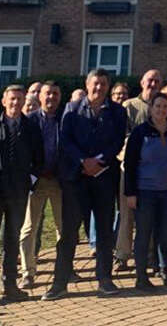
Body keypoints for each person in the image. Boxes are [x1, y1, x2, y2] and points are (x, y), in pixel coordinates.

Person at [43, 69, 127, 301]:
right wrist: (83, 160)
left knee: (103, 231)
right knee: (69, 233)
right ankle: (59, 283)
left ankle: (104, 279)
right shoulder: (71, 108)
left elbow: (118, 141)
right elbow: (66, 139)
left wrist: (98, 161)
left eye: (102, 84)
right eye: (94, 83)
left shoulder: (118, 112)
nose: (98, 88)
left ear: (107, 86)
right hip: (76, 179)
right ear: (87, 84)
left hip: (103, 178)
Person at [0, 85, 44, 307]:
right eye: (12, 99)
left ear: (24, 102)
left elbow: (39, 160)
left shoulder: (31, 128)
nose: (16, 103)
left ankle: (10, 286)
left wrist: (30, 182)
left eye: (20, 99)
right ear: (4, 101)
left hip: (18, 195)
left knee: (12, 241)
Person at [124, 93, 167, 290]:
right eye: (157, 106)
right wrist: (131, 192)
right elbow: (130, 163)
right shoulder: (140, 132)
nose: (161, 110)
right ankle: (141, 275)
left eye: (165, 106)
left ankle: (165, 269)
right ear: (151, 108)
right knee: (144, 233)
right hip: (145, 191)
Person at [117, 69, 163, 272]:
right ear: (142, 82)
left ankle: (150, 255)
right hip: (129, 167)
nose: (152, 84)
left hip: (153, 170)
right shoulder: (129, 106)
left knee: (149, 213)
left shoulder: (161, 107)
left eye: (156, 81)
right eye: (149, 80)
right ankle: (123, 255)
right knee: (126, 212)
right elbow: (122, 135)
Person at [19, 82, 63, 289]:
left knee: (63, 228)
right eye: (48, 94)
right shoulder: (29, 120)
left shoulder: (66, 118)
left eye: (55, 94)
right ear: (40, 97)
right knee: (29, 228)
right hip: (36, 180)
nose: (51, 98)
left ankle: (63, 271)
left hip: (59, 180)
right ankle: (28, 272)